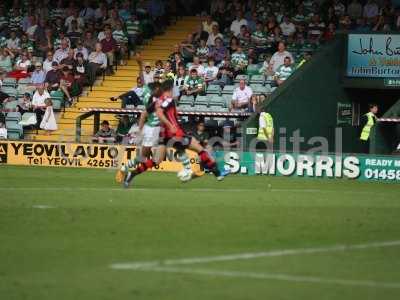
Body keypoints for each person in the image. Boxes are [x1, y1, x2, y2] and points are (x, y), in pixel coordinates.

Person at [121, 80, 229, 188]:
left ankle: (132, 174)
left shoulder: (156, 101)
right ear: (170, 89)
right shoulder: (168, 99)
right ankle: (216, 173)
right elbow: (159, 112)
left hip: (164, 136)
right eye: (174, 89)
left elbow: (146, 112)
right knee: (200, 149)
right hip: (175, 134)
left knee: (156, 160)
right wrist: (170, 125)